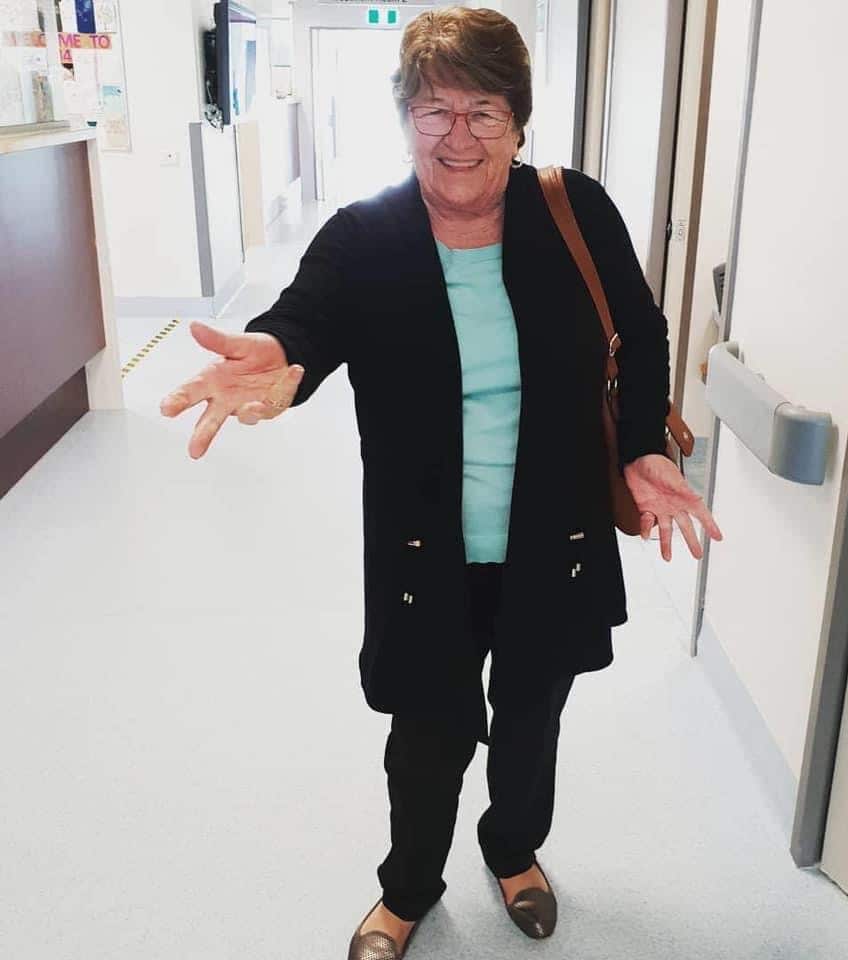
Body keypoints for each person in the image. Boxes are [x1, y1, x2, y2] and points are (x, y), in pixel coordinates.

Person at [160, 8, 723, 958]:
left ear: (519, 123)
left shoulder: (574, 212)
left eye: (483, 112)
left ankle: (514, 851)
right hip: (426, 544)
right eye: (433, 111)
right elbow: (305, 322)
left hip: (553, 533)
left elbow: (641, 328)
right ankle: (409, 887)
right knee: (427, 733)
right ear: (404, 119)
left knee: (532, 717)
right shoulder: (365, 235)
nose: (457, 136)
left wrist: (640, 446)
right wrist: (278, 355)